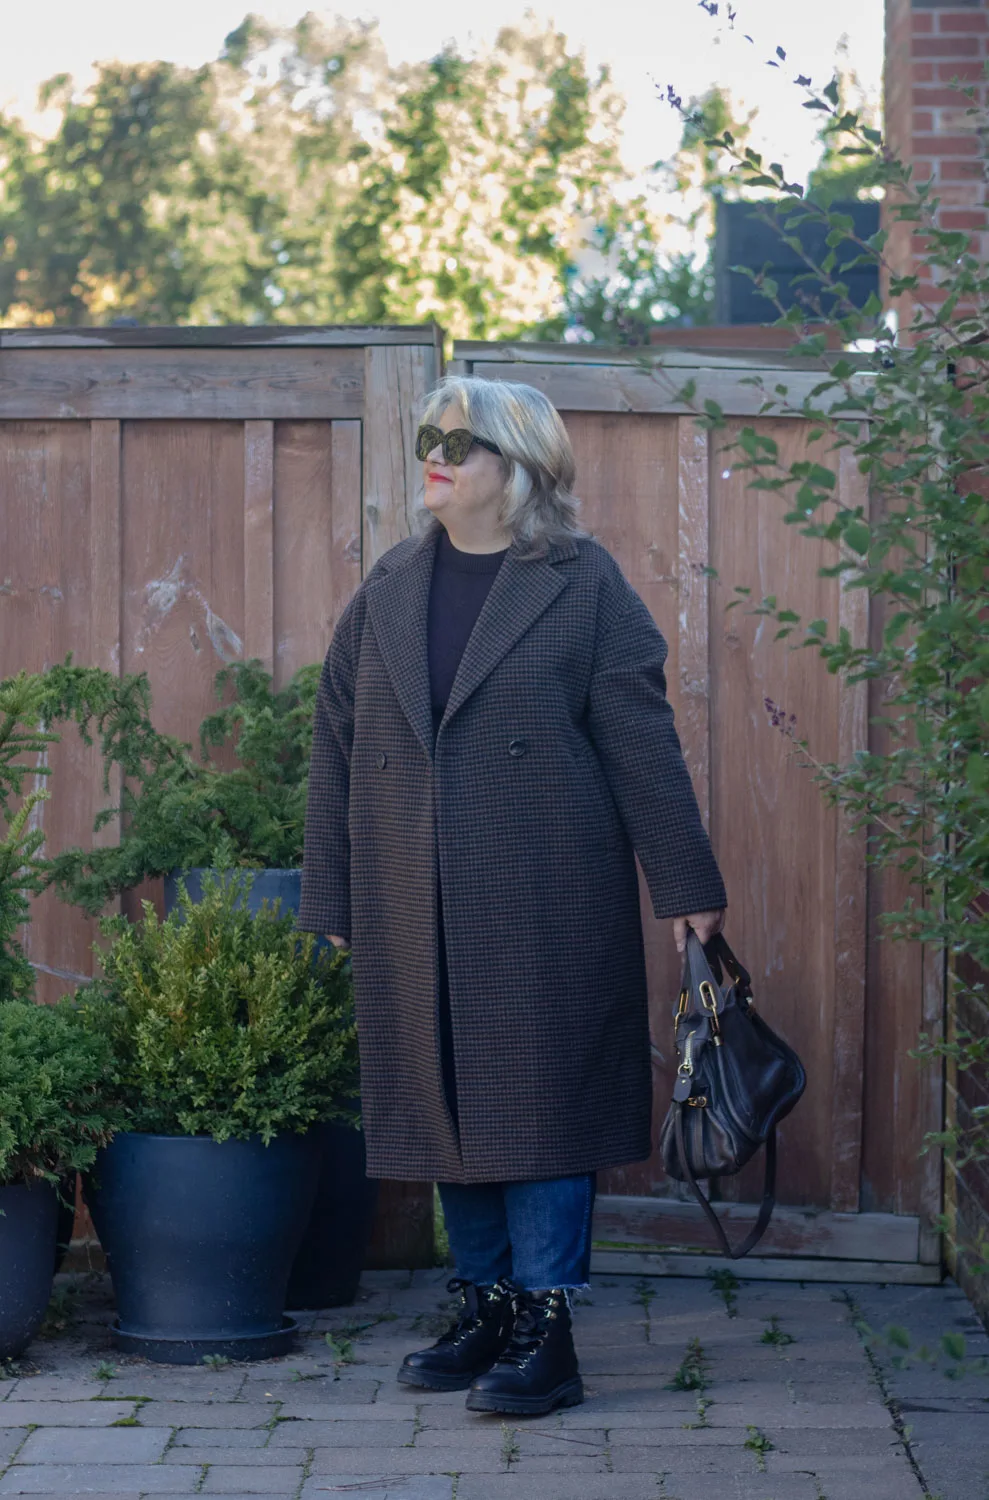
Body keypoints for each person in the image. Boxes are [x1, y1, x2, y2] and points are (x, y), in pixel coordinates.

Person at [298, 375, 727, 1417]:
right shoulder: (388, 588)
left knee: (535, 1104)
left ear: (519, 469)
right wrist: (332, 901)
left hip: (542, 890)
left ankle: (547, 1326)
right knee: (441, 1095)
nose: (435, 457)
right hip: (411, 892)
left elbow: (638, 739)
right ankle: (483, 1301)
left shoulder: (580, 586)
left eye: (462, 442)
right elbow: (335, 752)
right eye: (429, 440)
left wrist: (683, 883)